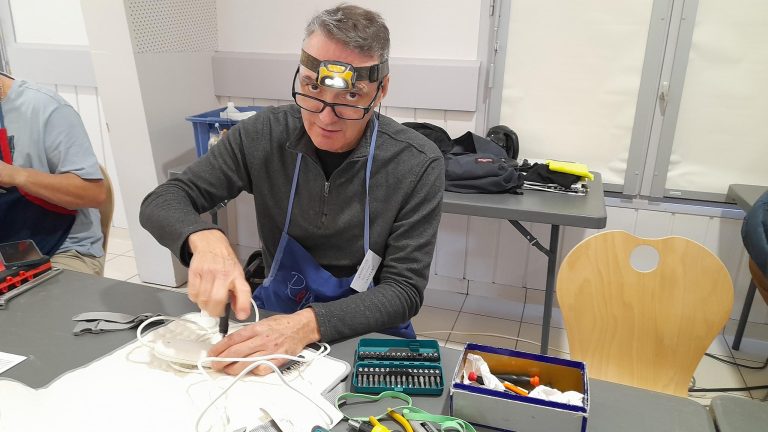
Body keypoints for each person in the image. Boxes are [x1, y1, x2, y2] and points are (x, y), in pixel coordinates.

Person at [139, 4, 444, 375]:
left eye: (351, 96)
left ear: (381, 91)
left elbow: (403, 291)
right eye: (312, 88)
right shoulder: (264, 134)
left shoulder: (416, 163)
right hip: (274, 321)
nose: (325, 117)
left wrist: (303, 326)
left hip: (370, 338)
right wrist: (203, 237)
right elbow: (162, 201)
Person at [0, 72, 108, 275]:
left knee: (37, 296)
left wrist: (16, 176)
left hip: (62, 249)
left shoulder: (45, 108)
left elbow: (93, 193)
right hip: (6, 248)